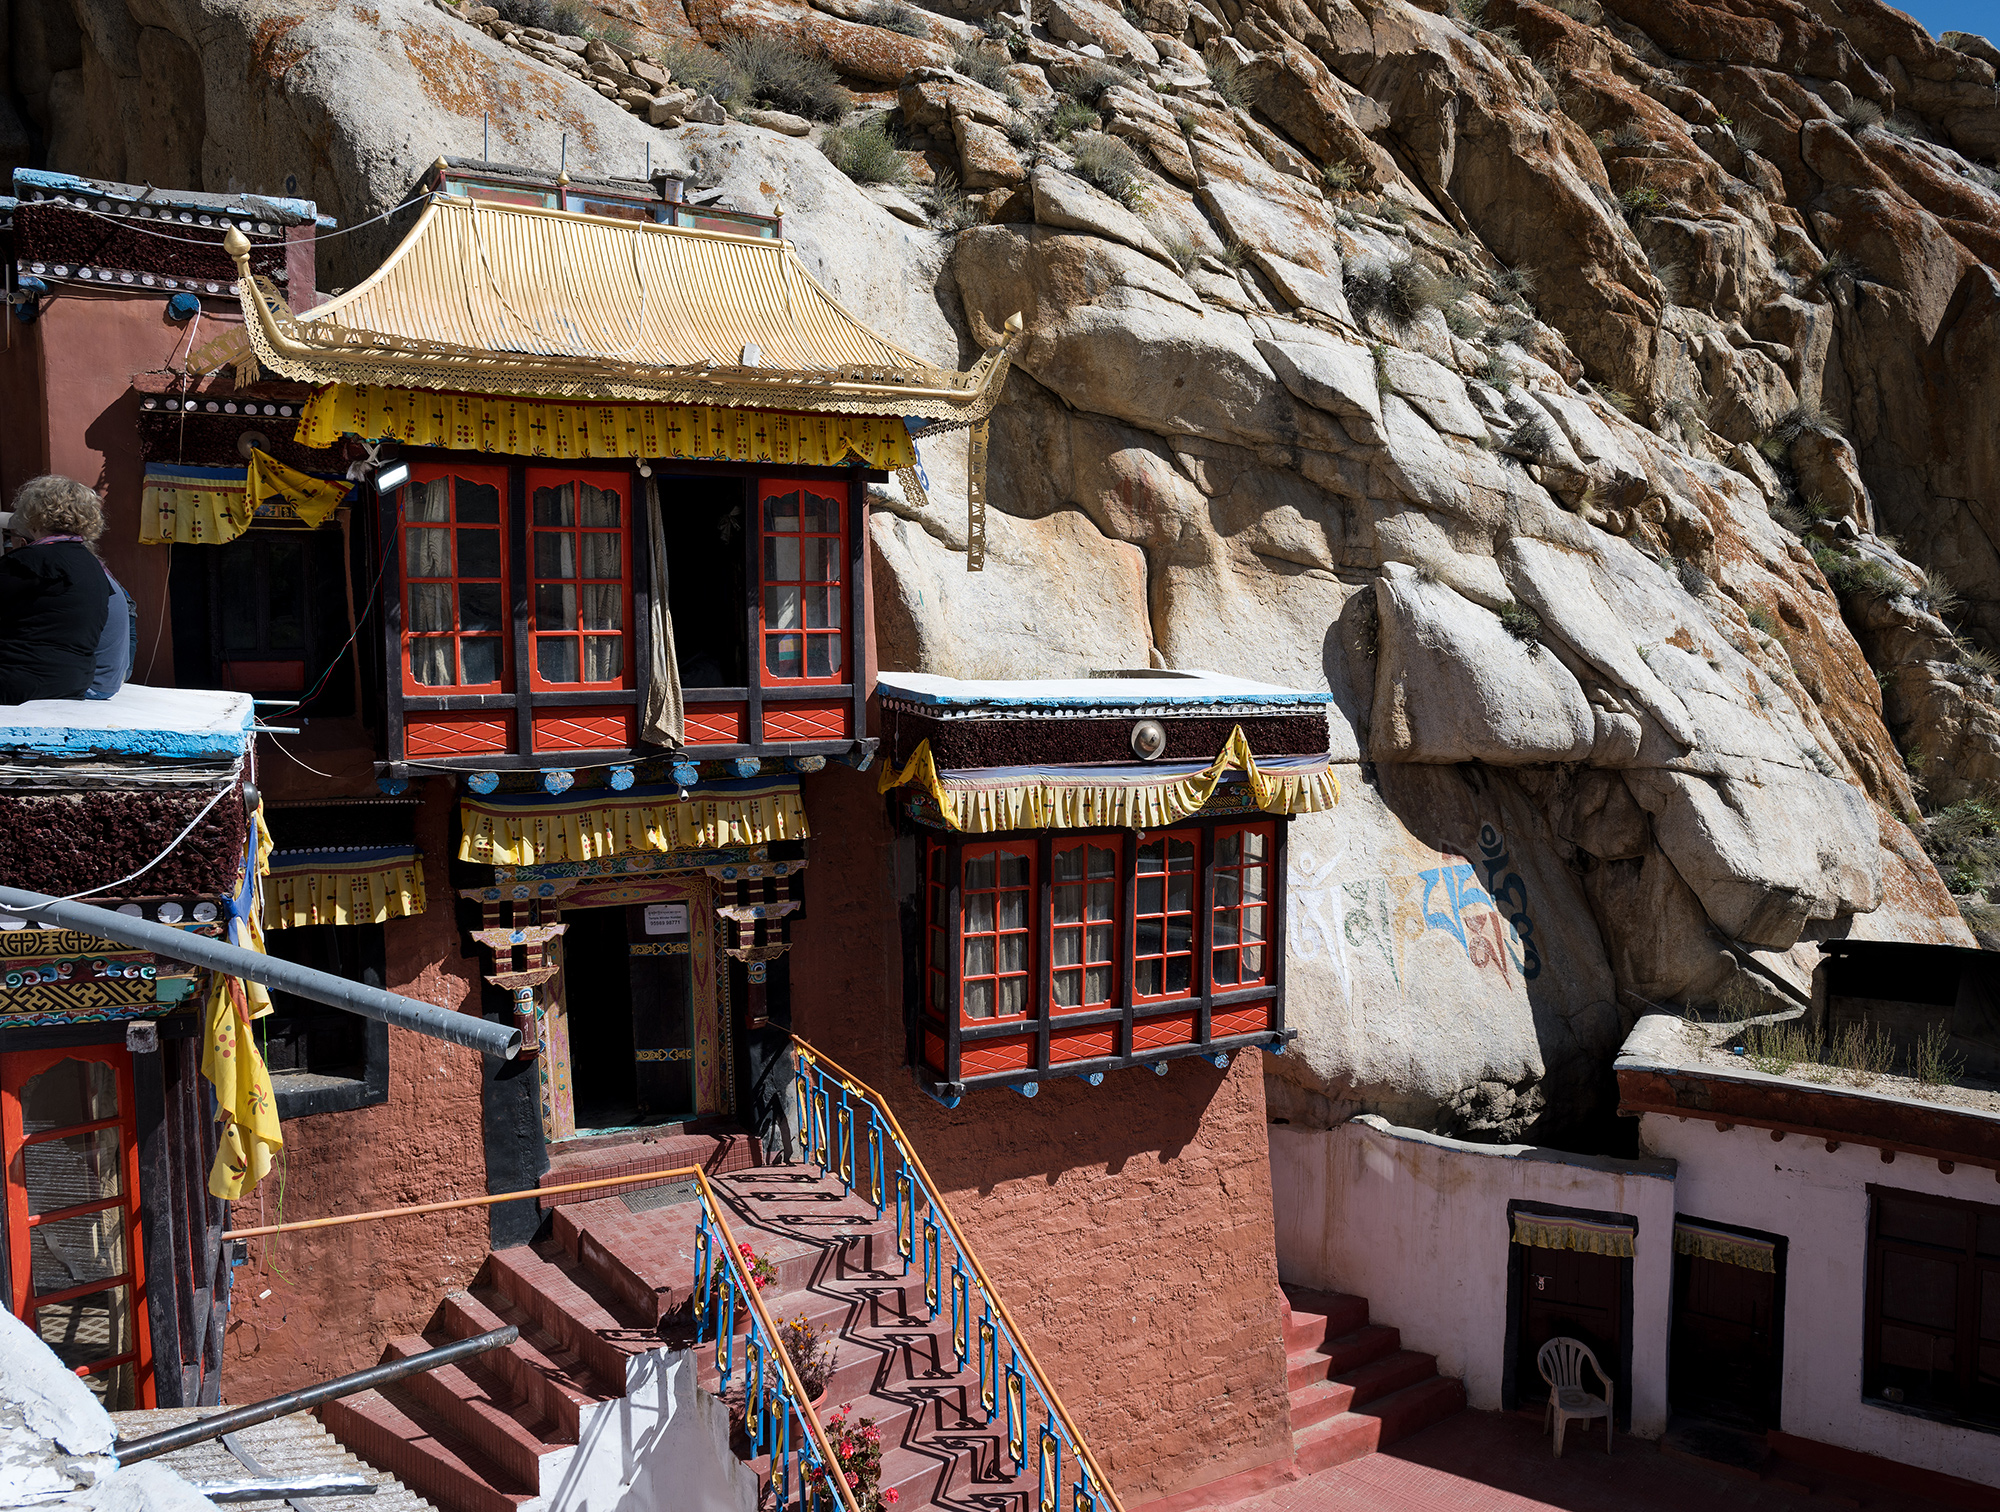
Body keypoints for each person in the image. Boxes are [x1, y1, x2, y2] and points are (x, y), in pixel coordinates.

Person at [0, 475, 118, 705]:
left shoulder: (30, 561)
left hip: (19, 680)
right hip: (72, 682)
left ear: (33, 514)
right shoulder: (92, 565)